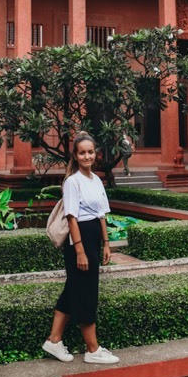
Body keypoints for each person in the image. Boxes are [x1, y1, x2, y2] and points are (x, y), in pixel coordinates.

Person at [42, 132, 120, 365]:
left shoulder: (96, 179)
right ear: (75, 156)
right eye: (82, 152)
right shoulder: (72, 181)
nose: (87, 156)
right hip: (80, 240)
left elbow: (101, 215)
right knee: (86, 292)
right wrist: (80, 250)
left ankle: (54, 340)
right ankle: (92, 349)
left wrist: (106, 244)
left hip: (94, 238)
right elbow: (72, 217)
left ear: (95, 154)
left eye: (90, 152)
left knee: (74, 287)